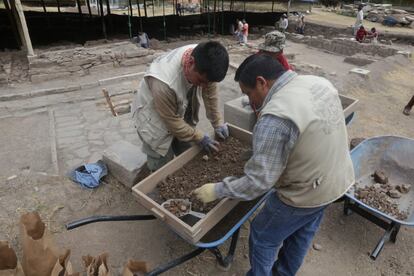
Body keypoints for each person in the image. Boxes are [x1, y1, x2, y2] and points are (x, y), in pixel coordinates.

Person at [193, 54, 355, 276]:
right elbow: (305, 135)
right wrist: (255, 152)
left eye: (249, 93)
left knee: (262, 235)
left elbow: (258, 183)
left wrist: (217, 189)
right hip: (337, 179)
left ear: (262, 82)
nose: (250, 101)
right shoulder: (318, 83)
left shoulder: (275, 117)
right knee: (302, 232)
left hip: (304, 193)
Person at [132, 42, 230, 171]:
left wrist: (218, 123)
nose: (204, 86)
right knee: (162, 162)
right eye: (201, 81)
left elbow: (210, 94)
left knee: (186, 148)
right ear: (190, 63)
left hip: (176, 106)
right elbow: (171, 120)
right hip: (154, 117)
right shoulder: (164, 83)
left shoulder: (204, 58)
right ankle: (156, 184)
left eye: (208, 83)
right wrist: (199, 137)